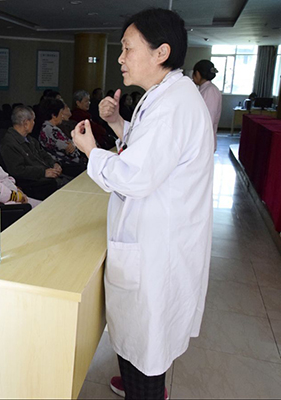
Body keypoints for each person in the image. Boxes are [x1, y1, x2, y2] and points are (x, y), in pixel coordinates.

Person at [71, 8, 213, 400]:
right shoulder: (168, 95)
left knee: (147, 340)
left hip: (156, 246)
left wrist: (91, 151)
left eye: (127, 49)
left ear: (160, 52)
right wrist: (118, 124)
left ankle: (145, 392)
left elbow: (136, 175)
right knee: (141, 336)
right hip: (156, 238)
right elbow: (151, 149)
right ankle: (138, 385)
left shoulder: (172, 105)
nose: (120, 58)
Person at [0, 105, 67, 199]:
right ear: (26, 123)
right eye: (32, 120)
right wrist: (43, 172)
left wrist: (54, 164)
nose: (34, 123)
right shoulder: (9, 143)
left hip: (48, 177)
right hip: (36, 183)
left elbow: (43, 154)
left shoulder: (30, 139)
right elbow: (17, 170)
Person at [39, 98, 86, 176]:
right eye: (61, 113)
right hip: (66, 166)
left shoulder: (48, 127)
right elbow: (71, 151)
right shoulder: (51, 130)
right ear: (54, 115)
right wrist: (74, 145)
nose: (62, 116)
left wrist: (73, 145)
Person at [193, 59, 222, 150]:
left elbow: (208, 119)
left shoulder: (210, 91)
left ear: (197, 74)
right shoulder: (205, 89)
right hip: (201, 140)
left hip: (204, 142)